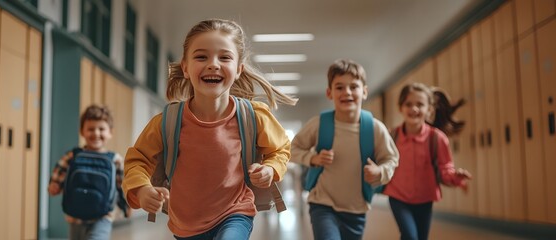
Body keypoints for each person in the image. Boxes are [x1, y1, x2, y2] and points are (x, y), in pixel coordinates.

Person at [122, 18, 297, 240]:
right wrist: (142, 190)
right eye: (201, 56)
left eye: (224, 57)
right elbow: (137, 160)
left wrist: (270, 169)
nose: (213, 64)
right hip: (185, 222)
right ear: (185, 68)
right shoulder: (168, 121)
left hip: (236, 212)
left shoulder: (254, 116)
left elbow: (280, 148)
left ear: (238, 70)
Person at [291, 59, 399, 240]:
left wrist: (379, 171)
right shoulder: (319, 124)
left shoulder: (374, 128)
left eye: (353, 87)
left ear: (364, 92)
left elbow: (391, 159)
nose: (347, 92)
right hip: (322, 204)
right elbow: (291, 149)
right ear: (329, 93)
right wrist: (313, 158)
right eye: (339, 87)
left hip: (357, 208)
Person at [382, 82, 472, 240]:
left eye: (420, 104)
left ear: (429, 109)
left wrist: (455, 177)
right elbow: (381, 161)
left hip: (425, 198)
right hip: (398, 197)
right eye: (408, 104)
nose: (414, 109)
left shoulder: (437, 138)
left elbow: (445, 169)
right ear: (400, 107)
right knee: (410, 236)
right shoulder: (391, 136)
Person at [48, 104, 129, 240]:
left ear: (110, 132)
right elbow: (58, 174)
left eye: (101, 129)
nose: (96, 133)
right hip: (75, 217)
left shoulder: (115, 160)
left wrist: (126, 206)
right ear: (82, 131)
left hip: (103, 217)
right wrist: (54, 186)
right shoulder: (72, 156)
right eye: (91, 129)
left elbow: (122, 185)